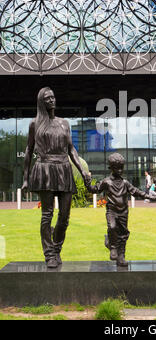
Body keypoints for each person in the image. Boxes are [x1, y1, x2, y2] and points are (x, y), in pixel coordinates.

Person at [22, 87, 90, 268]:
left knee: (65, 216)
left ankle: (56, 248)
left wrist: (82, 170)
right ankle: (49, 254)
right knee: (47, 214)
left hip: (64, 168)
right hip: (45, 169)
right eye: (47, 98)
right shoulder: (35, 124)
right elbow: (29, 150)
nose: (52, 100)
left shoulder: (64, 123)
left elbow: (71, 149)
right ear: (41, 102)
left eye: (53, 97)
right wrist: (26, 177)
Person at [85, 153, 156, 267]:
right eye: (117, 168)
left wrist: (149, 196)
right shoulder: (106, 182)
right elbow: (95, 189)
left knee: (123, 234)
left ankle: (121, 256)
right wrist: (87, 181)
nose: (120, 170)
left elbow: (136, 191)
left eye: (121, 167)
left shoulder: (125, 183)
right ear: (111, 168)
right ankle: (112, 247)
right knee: (112, 227)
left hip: (123, 212)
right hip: (112, 211)